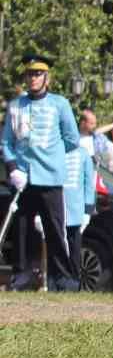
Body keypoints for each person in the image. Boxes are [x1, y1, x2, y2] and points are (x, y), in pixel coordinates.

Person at [2, 54, 81, 291]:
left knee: (56, 230)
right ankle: (22, 276)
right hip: (23, 179)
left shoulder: (60, 104)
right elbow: (6, 142)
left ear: (47, 77)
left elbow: (72, 139)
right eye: (29, 74)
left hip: (50, 176)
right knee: (23, 231)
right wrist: (14, 168)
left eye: (37, 74)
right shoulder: (16, 106)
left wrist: (53, 157)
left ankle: (63, 278)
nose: (33, 78)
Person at [60, 130, 97, 291]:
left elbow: (89, 184)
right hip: (57, 207)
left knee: (74, 247)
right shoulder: (56, 152)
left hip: (75, 209)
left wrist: (87, 210)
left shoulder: (83, 155)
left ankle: (73, 280)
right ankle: (56, 279)